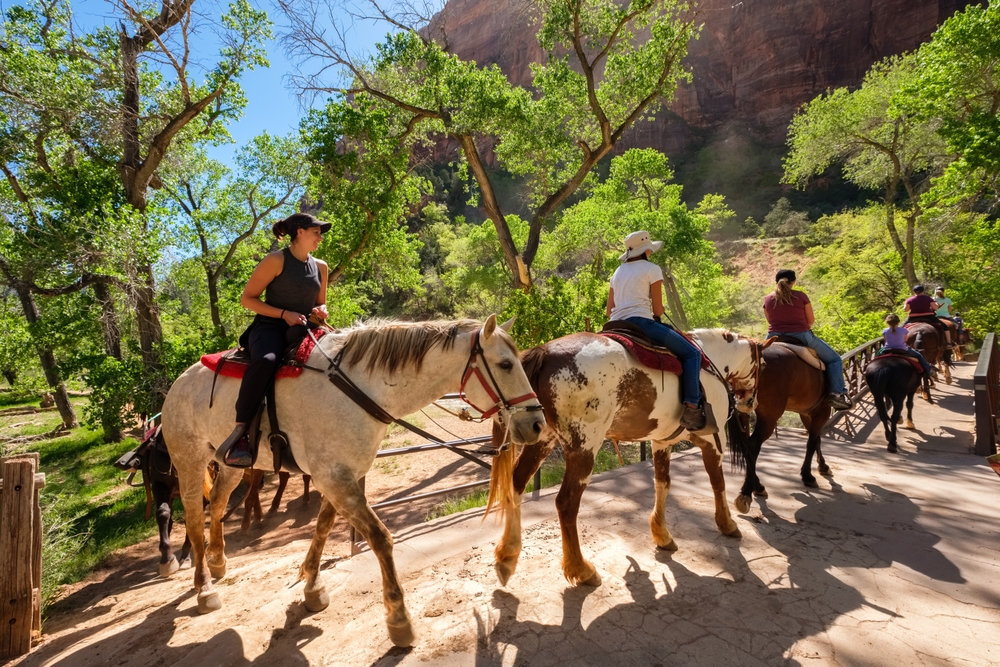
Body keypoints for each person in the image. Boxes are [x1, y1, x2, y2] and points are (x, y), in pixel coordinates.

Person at [218, 213, 331, 468]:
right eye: (316, 232)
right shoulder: (276, 260)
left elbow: (320, 302)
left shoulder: (321, 266)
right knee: (267, 361)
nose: (320, 237)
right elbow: (248, 299)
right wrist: (283, 314)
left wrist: (321, 311)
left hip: (304, 328)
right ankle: (240, 434)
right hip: (269, 327)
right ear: (300, 232)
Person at [606, 231, 706, 431]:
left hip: (615, 324)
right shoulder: (652, 269)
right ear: (647, 250)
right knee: (692, 353)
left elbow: (609, 310)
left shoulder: (617, 272)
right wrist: (660, 313)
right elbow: (658, 310)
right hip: (641, 323)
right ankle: (692, 407)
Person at [762, 269, 852, 410]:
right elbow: (810, 321)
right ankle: (837, 394)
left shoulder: (767, 299)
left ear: (776, 282)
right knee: (835, 360)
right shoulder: (801, 296)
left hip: (773, 336)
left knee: (756, 360)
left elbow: (769, 321)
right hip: (801, 335)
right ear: (793, 282)